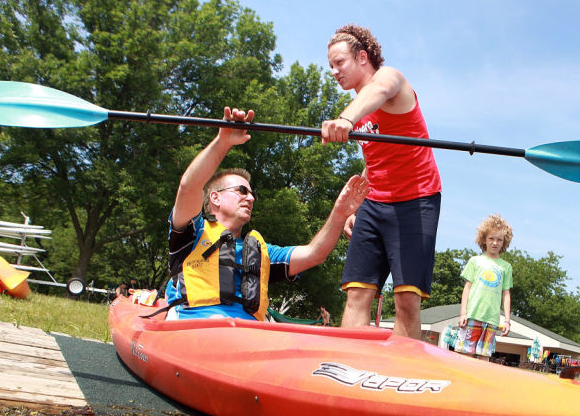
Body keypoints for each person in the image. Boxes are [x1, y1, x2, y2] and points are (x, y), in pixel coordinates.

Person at [165, 106, 369, 320]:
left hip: (249, 334)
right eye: (242, 191)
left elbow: (314, 254)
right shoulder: (191, 233)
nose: (251, 198)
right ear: (215, 198)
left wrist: (339, 213)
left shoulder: (263, 252)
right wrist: (223, 142)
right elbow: (189, 187)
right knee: (218, 322)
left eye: (252, 194)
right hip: (194, 327)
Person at [321, 23, 442, 339]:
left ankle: (405, 375)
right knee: (357, 293)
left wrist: (345, 119)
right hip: (374, 204)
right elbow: (374, 159)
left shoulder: (389, 80)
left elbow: (380, 90)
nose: (334, 71)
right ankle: (348, 369)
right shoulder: (359, 109)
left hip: (416, 200)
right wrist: (356, 207)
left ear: (362, 57)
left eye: (340, 63)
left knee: (406, 299)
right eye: (330, 66)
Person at [456, 214, 514, 361]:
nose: (495, 243)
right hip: (472, 315)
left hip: (492, 320)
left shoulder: (506, 267)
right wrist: (463, 313)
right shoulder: (475, 261)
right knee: (465, 355)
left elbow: (506, 294)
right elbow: (467, 288)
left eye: (499, 239)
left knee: (484, 357)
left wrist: (507, 320)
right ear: (484, 239)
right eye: (491, 238)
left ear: (504, 242)